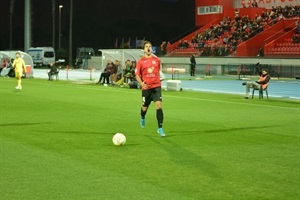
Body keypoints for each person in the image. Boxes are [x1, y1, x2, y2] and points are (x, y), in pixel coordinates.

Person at [135, 40, 165, 137]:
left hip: (156, 86)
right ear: (143, 50)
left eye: (150, 46)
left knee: (159, 105)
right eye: (146, 46)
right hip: (146, 88)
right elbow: (137, 75)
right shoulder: (140, 62)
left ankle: (160, 128)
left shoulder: (157, 60)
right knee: (144, 108)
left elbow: (159, 71)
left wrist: (161, 78)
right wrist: (141, 84)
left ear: (152, 49)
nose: (148, 48)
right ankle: (142, 117)